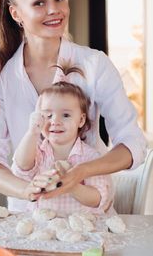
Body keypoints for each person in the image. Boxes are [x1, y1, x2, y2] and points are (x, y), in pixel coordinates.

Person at [0, 0, 146, 212]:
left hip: (89, 215)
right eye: (39, 3)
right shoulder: (2, 78)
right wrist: (25, 190)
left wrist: (81, 171)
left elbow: (133, 144)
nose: (54, 10)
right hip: (29, 217)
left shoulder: (95, 64)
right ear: (16, 13)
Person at [11, 65, 114, 215]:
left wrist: (71, 184)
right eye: (48, 115)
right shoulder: (37, 151)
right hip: (42, 224)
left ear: (81, 120)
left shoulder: (91, 157)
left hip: (78, 227)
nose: (55, 121)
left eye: (65, 115)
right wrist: (32, 132)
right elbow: (22, 166)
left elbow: (97, 199)